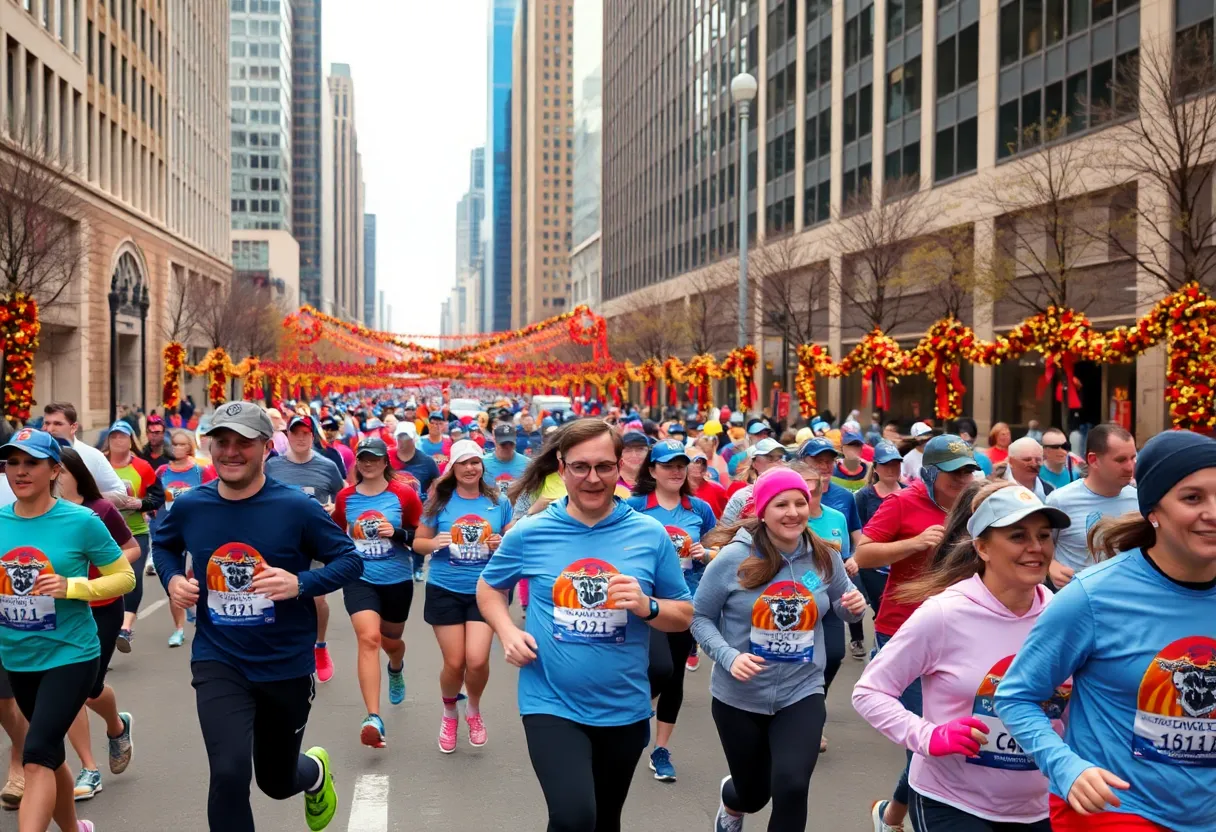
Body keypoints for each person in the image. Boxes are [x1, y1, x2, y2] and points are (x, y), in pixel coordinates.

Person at [152, 401, 361, 832]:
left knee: (276, 781)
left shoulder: (295, 508)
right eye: (221, 442)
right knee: (228, 774)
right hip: (219, 658)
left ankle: (314, 773)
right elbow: (165, 544)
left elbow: (349, 559)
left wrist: (300, 583)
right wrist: (172, 580)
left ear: (266, 447)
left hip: (284, 663)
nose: (230, 452)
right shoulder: (192, 505)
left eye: (243, 443)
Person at [477, 419, 693, 832]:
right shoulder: (531, 532)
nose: (592, 478)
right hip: (550, 701)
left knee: (605, 820)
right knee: (574, 817)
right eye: (580, 467)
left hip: (624, 707)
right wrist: (507, 632)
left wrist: (647, 606)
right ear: (561, 468)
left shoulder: (649, 533)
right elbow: (489, 589)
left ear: (620, 468)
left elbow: (683, 613)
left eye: (603, 467)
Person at [994, 430, 1216, 832]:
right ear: (1154, 510)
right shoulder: (1093, 596)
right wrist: (1068, 768)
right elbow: (1015, 697)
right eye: (1192, 498)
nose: (1213, 512)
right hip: (1118, 808)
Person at [854, 480, 1070, 832]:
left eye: (1044, 536)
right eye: (1018, 536)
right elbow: (870, 692)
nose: (1036, 548)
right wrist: (928, 736)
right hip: (952, 801)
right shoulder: (944, 613)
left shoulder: (1066, 617)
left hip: (1040, 806)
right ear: (983, 547)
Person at [694, 468, 866, 832]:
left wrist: (853, 606)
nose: (793, 512)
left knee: (791, 786)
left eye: (800, 502)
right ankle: (732, 800)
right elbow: (700, 618)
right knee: (754, 794)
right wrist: (730, 656)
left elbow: (841, 602)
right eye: (781, 504)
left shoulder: (824, 558)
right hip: (738, 697)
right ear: (762, 511)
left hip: (801, 690)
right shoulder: (732, 559)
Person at [0, 428, 136, 832]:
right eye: (12, 463)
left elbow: (125, 577)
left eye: (31, 463)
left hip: (71, 653)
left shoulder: (81, 522)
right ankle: (75, 828)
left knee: (36, 752)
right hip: (18, 656)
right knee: (50, 755)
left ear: (55, 469)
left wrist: (74, 587)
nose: (20, 472)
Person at [854, 434, 982, 832]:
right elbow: (864, 554)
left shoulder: (976, 504)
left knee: (951, 733)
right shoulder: (902, 502)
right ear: (929, 473)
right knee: (926, 735)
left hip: (962, 630)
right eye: (952, 474)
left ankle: (892, 814)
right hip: (902, 628)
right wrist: (914, 543)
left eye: (966, 471)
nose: (961, 480)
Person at [624, 439, 717, 782]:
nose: (676, 471)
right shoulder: (635, 506)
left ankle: (661, 749)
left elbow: (717, 545)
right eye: (668, 465)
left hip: (684, 603)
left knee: (674, 673)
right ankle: (633, 716)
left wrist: (704, 552)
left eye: (681, 465)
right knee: (656, 669)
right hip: (643, 603)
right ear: (652, 470)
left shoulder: (699, 509)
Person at [414, 439, 512, 753]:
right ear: (452, 468)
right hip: (445, 588)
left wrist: (502, 541)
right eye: (462, 463)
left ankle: (473, 709)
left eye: (475, 462)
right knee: (455, 663)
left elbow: (512, 538)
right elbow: (418, 543)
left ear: (482, 467)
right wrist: (435, 544)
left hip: (486, 590)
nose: (470, 469)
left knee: (478, 659)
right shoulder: (439, 502)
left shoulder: (497, 500)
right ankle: (449, 713)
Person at [55, 448, 141, 802]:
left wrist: (100, 564)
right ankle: (89, 769)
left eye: (58, 469)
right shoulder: (46, 515)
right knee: (70, 688)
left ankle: (117, 726)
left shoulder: (101, 510)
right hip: (62, 610)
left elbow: (132, 549)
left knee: (90, 688)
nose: (54, 476)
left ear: (74, 472)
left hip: (103, 608)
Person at [332, 438, 423, 749]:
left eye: (374, 458)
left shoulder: (404, 495)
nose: (368, 463)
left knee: (391, 641)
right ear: (357, 462)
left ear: (386, 462)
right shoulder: (345, 498)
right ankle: (373, 717)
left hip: (397, 579)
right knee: (368, 638)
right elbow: (333, 533)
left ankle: (396, 665)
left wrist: (396, 534)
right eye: (363, 458)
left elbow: (420, 536)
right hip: (359, 578)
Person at [265, 414, 346, 684]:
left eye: (306, 433)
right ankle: (282, 649)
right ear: (287, 435)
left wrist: (337, 507)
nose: (300, 438)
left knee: (317, 599)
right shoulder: (272, 466)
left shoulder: (327, 465)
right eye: (295, 433)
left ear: (313, 436)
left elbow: (343, 493)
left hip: (315, 541)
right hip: (279, 541)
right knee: (276, 594)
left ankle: (320, 647)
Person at [1044, 423, 1138, 590]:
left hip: (1124, 599)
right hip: (1074, 603)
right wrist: (1050, 566)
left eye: (1133, 458)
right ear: (1094, 460)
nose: (1130, 467)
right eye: (1121, 460)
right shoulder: (1060, 500)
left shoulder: (1138, 500)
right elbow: (1039, 544)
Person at [151, 429, 217, 647]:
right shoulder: (162, 471)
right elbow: (156, 497)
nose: (177, 448)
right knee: (174, 579)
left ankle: (203, 614)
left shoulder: (201, 471)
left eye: (182, 444)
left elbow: (213, 494)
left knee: (200, 574)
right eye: (175, 444)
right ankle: (178, 628)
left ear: (189, 447)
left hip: (198, 529)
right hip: (170, 530)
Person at [101, 421, 156, 652]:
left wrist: (140, 503)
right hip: (104, 532)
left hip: (136, 533)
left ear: (131, 439)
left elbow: (157, 498)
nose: (118, 441)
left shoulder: (142, 467)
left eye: (123, 437)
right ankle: (105, 632)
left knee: (132, 579)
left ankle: (125, 628)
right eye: (114, 436)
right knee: (106, 582)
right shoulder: (98, 462)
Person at [854, 441, 905, 622]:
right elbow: (856, 530)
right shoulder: (863, 496)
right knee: (883, 612)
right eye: (886, 464)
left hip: (903, 563)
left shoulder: (910, 493)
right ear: (875, 468)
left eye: (895, 464)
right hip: (874, 568)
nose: (891, 469)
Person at [41, 403, 125, 500]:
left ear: (73, 427)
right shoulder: (36, 454)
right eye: (47, 423)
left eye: (58, 424)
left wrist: (86, 499)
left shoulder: (93, 456)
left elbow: (120, 492)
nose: (50, 429)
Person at [720, 438, 788, 523]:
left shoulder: (792, 493)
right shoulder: (741, 497)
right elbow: (724, 530)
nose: (778, 462)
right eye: (770, 457)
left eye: (780, 457)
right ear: (755, 464)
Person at [482, 424, 530, 498]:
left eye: (511, 444)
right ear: (494, 440)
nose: (508, 447)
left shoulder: (527, 464)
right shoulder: (483, 463)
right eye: (503, 444)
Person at [688, 448, 729, 517]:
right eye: (695, 462)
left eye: (702, 463)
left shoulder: (718, 489)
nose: (699, 466)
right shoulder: (678, 490)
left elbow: (727, 516)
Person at [832, 429, 872, 493]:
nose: (853, 449)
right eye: (850, 445)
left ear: (861, 449)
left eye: (857, 446)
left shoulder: (868, 470)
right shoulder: (833, 469)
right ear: (842, 448)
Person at [616, 430, 650, 497]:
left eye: (640, 449)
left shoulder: (656, 480)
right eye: (627, 450)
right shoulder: (610, 481)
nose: (634, 455)